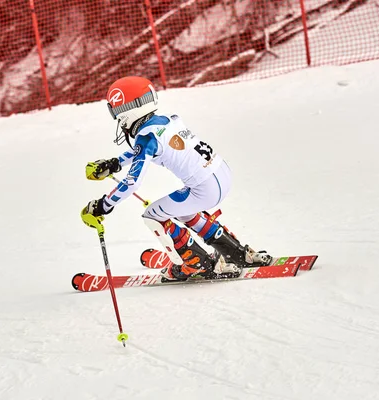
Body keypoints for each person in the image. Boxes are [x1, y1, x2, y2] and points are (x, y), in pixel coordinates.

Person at [81, 76, 272, 281]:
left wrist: (104, 205)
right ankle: (236, 253)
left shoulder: (146, 137)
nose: (117, 118)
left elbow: (132, 182)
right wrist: (115, 163)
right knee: (183, 212)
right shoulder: (167, 120)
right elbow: (143, 151)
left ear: (127, 110)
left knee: (152, 215)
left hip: (205, 189)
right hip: (221, 173)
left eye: (117, 111)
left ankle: (197, 264)